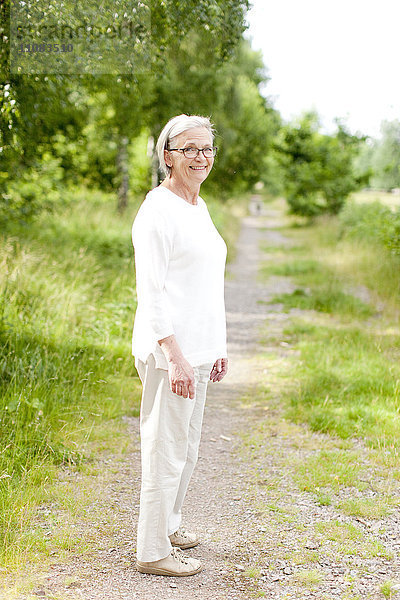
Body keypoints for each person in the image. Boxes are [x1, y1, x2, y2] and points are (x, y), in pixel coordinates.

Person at [131, 114, 228, 577]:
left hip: (200, 350)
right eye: (189, 149)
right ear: (168, 154)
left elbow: (207, 284)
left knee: (187, 450)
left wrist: (218, 344)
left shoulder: (198, 207)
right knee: (165, 448)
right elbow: (151, 291)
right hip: (171, 353)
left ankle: (169, 525)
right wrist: (174, 355)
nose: (201, 158)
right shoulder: (157, 209)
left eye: (207, 149)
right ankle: (151, 551)